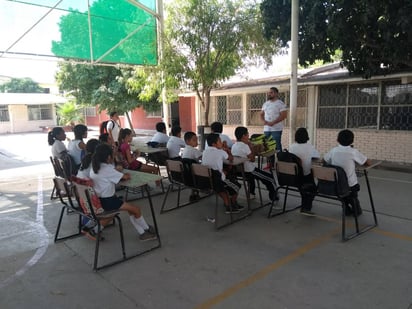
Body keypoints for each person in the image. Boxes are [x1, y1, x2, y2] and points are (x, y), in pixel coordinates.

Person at [90, 143, 157, 241]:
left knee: (130, 210)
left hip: (100, 199)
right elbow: (124, 177)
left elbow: (113, 175)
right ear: (108, 157)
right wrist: (126, 175)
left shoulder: (95, 167)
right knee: (136, 209)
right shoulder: (107, 169)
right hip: (109, 201)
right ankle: (146, 230)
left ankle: (94, 231)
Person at [324, 129, 371, 217]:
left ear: (337, 140)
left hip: (336, 184)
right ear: (352, 141)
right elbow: (367, 162)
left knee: (343, 194)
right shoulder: (353, 152)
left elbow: (325, 159)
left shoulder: (334, 150)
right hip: (350, 185)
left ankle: (346, 208)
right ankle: (357, 210)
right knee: (353, 196)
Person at [231, 126, 278, 202]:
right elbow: (252, 159)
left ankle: (251, 193)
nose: (248, 136)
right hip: (249, 171)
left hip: (239, 172)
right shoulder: (245, 146)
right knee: (270, 178)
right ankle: (274, 198)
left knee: (252, 178)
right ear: (243, 136)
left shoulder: (234, 145)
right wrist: (251, 147)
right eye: (247, 134)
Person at [202, 133, 244, 213]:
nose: (221, 142)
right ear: (214, 144)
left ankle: (228, 202)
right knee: (237, 186)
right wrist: (227, 150)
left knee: (222, 186)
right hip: (218, 179)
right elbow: (231, 159)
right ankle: (231, 204)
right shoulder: (220, 152)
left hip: (208, 180)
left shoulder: (205, 152)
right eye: (220, 141)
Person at [288, 128, 320, 216]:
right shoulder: (310, 147)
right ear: (307, 137)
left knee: (304, 187)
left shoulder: (292, 146)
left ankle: (304, 203)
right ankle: (306, 207)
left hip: (293, 176)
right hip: (305, 175)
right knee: (314, 188)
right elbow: (317, 157)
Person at [260, 87, 288, 168]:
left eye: (271, 92)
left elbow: (284, 115)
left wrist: (273, 122)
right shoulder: (266, 104)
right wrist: (263, 121)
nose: (269, 94)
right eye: (269, 92)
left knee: (277, 147)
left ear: (276, 93)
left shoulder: (280, 103)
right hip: (267, 129)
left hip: (276, 129)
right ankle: (270, 164)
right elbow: (261, 114)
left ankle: (281, 165)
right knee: (268, 146)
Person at [182, 131, 203, 202]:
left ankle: (194, 193)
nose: (196, 142)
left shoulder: (185, 149)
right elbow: (202, 157)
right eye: (194, 140)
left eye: (197, 140)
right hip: (195, 174)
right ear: (187, 141)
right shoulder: (193, 150)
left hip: (187, 173)